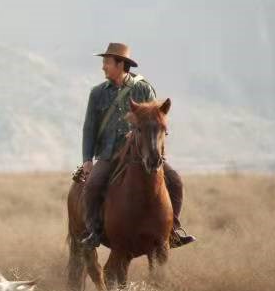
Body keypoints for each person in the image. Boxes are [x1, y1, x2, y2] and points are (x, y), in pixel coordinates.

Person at [80, 42, 196, 249]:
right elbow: (89, 128)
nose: (103, 67)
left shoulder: (143, 88)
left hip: (142, 154)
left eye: (107, 62)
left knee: (175, 182)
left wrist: (156, 150)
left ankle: (172, 230)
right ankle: (94, 231)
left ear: (120, 64)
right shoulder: (97, 93)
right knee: (92, 185)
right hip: (109, 154)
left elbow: (156, 120)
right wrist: (87, 160)